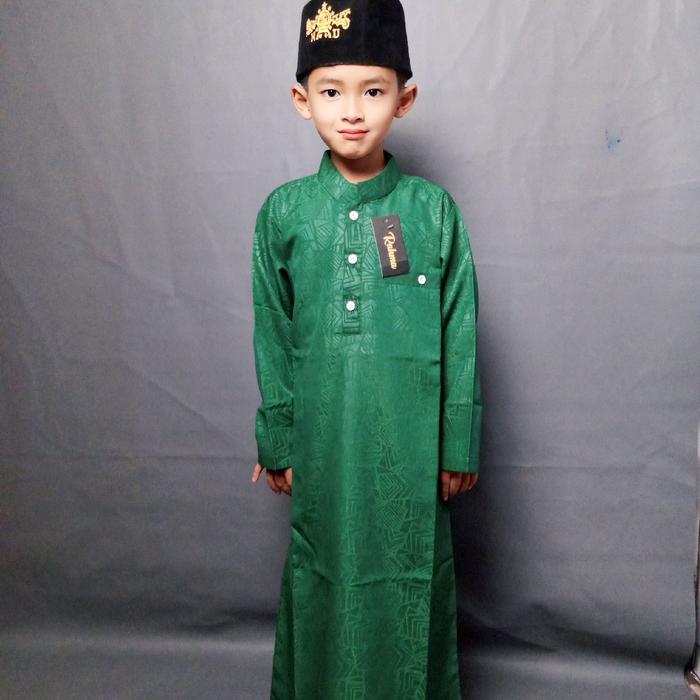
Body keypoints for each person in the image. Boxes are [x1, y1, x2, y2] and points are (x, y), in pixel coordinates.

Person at [250, 1, 482, 697]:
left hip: (411, 450)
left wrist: (458, 442)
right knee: (321, 572)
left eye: (373, 91)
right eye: (331, 91)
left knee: (413, 575)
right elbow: (273, 328)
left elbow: (460, 328)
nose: (352, 111)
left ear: (404, 99)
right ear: (302, 100)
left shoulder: (432, 212)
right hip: (324, 445)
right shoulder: (285, 213)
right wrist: (278, 438)